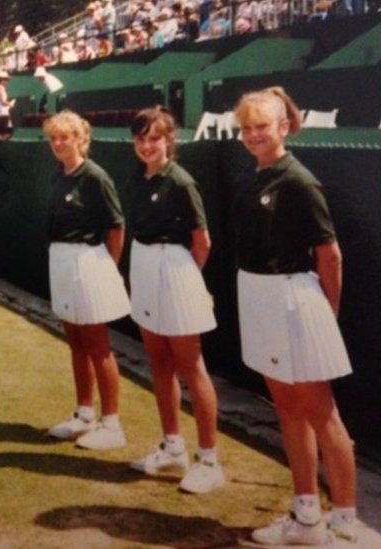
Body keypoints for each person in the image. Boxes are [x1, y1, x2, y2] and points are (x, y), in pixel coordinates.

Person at [233, 87, 362, 546]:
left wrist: (325, 314)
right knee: (287, 410)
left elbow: (332, 256)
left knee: (322, 413)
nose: (252, 135)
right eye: (245, 128)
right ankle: (307, 515)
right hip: (259, 296)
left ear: (284, 127)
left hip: (296, 299)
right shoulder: (252, 178)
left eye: (261, 126)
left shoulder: (299, 180)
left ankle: (346, 524)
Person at [125, 106, 224, 494]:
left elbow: (203, 243)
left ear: (169, 140)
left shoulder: (181, 182)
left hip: (177, 269)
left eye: (155, 138)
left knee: (191, 365)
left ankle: (210, 459)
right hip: (144, 265)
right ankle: (173, 448)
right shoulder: (136, 177)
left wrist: (188, 284)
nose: (147, 146)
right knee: (159, 361)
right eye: (141, 139)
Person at [42, 111, 130, 450]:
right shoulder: (58, 176)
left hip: (89, 262)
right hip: (61, 260)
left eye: (66, 137)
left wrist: (107, 269)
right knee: (76, 342)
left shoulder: (95, 177)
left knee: (97, 345)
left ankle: (112, 424)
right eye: (54, 138)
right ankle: (84, 414)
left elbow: (117, 227)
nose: (59, 143)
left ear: (81, 139)